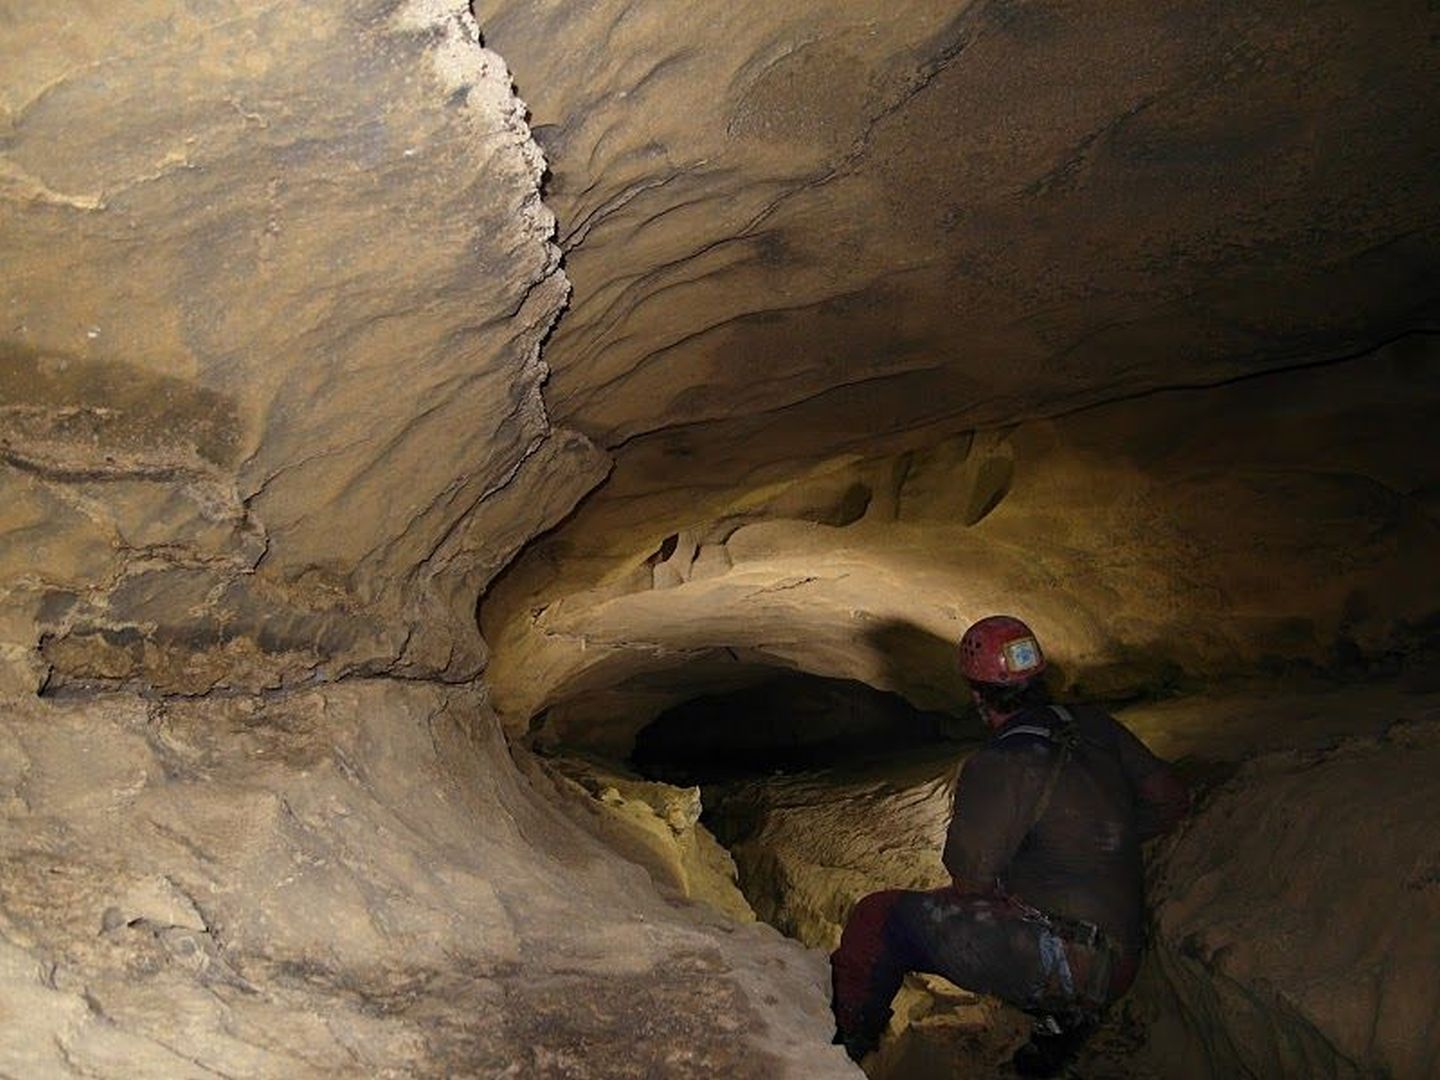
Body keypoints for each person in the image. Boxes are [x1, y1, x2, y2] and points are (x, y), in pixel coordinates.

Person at [830, 615, 1190, 1077]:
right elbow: (1171, 801)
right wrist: (1098, 842)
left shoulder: (999, 761)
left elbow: (970, 880)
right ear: (1038, 674)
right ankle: (1052, 1043)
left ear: (978, 695)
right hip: (1123, 958)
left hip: (1064, 964)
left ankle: (844, 1052)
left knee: (877, 918)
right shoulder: (1096, 726)